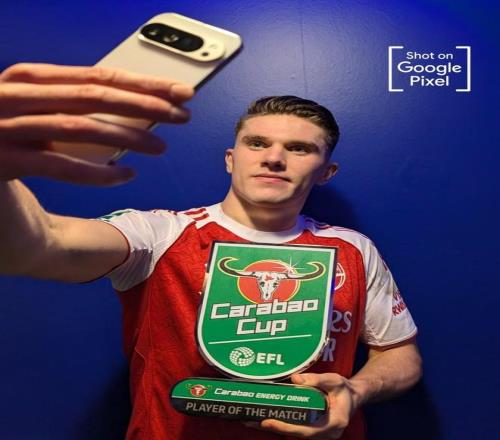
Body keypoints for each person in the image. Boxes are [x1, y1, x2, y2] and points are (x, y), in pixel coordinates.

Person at [0, 63, 422, 440]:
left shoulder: (353, 248)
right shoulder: (162, 233)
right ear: (230, 159)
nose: (274, 158)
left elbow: (399, 354)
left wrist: (357, 390)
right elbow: (41, 244)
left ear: (326, 171)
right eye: (257, 143)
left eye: (299, 148)